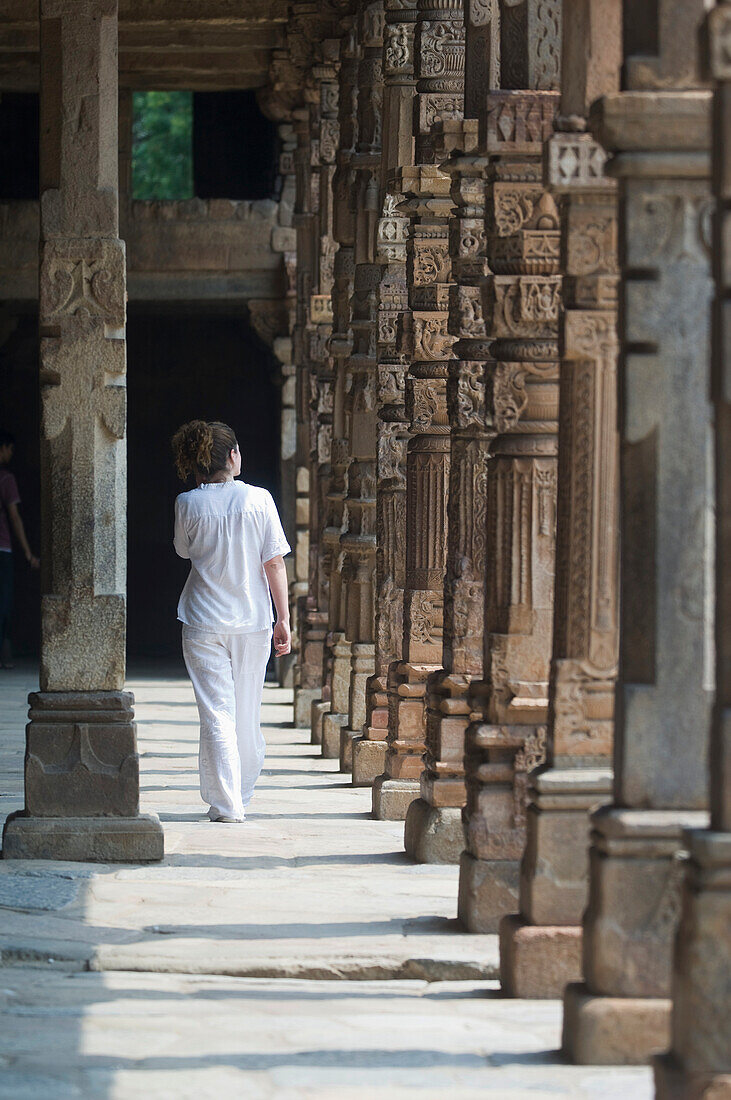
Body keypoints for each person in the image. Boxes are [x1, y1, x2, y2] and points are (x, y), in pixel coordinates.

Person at [171, 419, 291, 823]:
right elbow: (273, 563)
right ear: (233, 455)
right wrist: (283, 618)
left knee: (216, 713)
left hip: (203, 619)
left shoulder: (187, 503)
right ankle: (239, 794)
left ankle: (227, 803)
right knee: (245, 712)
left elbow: (184, 552)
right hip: (254, 619)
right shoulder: (260, 500)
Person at [0, 429, 39, 669]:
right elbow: (14, 517)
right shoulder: (6, 479)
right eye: (10, 449)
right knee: (3, 603)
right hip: (2, 549)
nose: (11, 454)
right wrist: (27, 552)